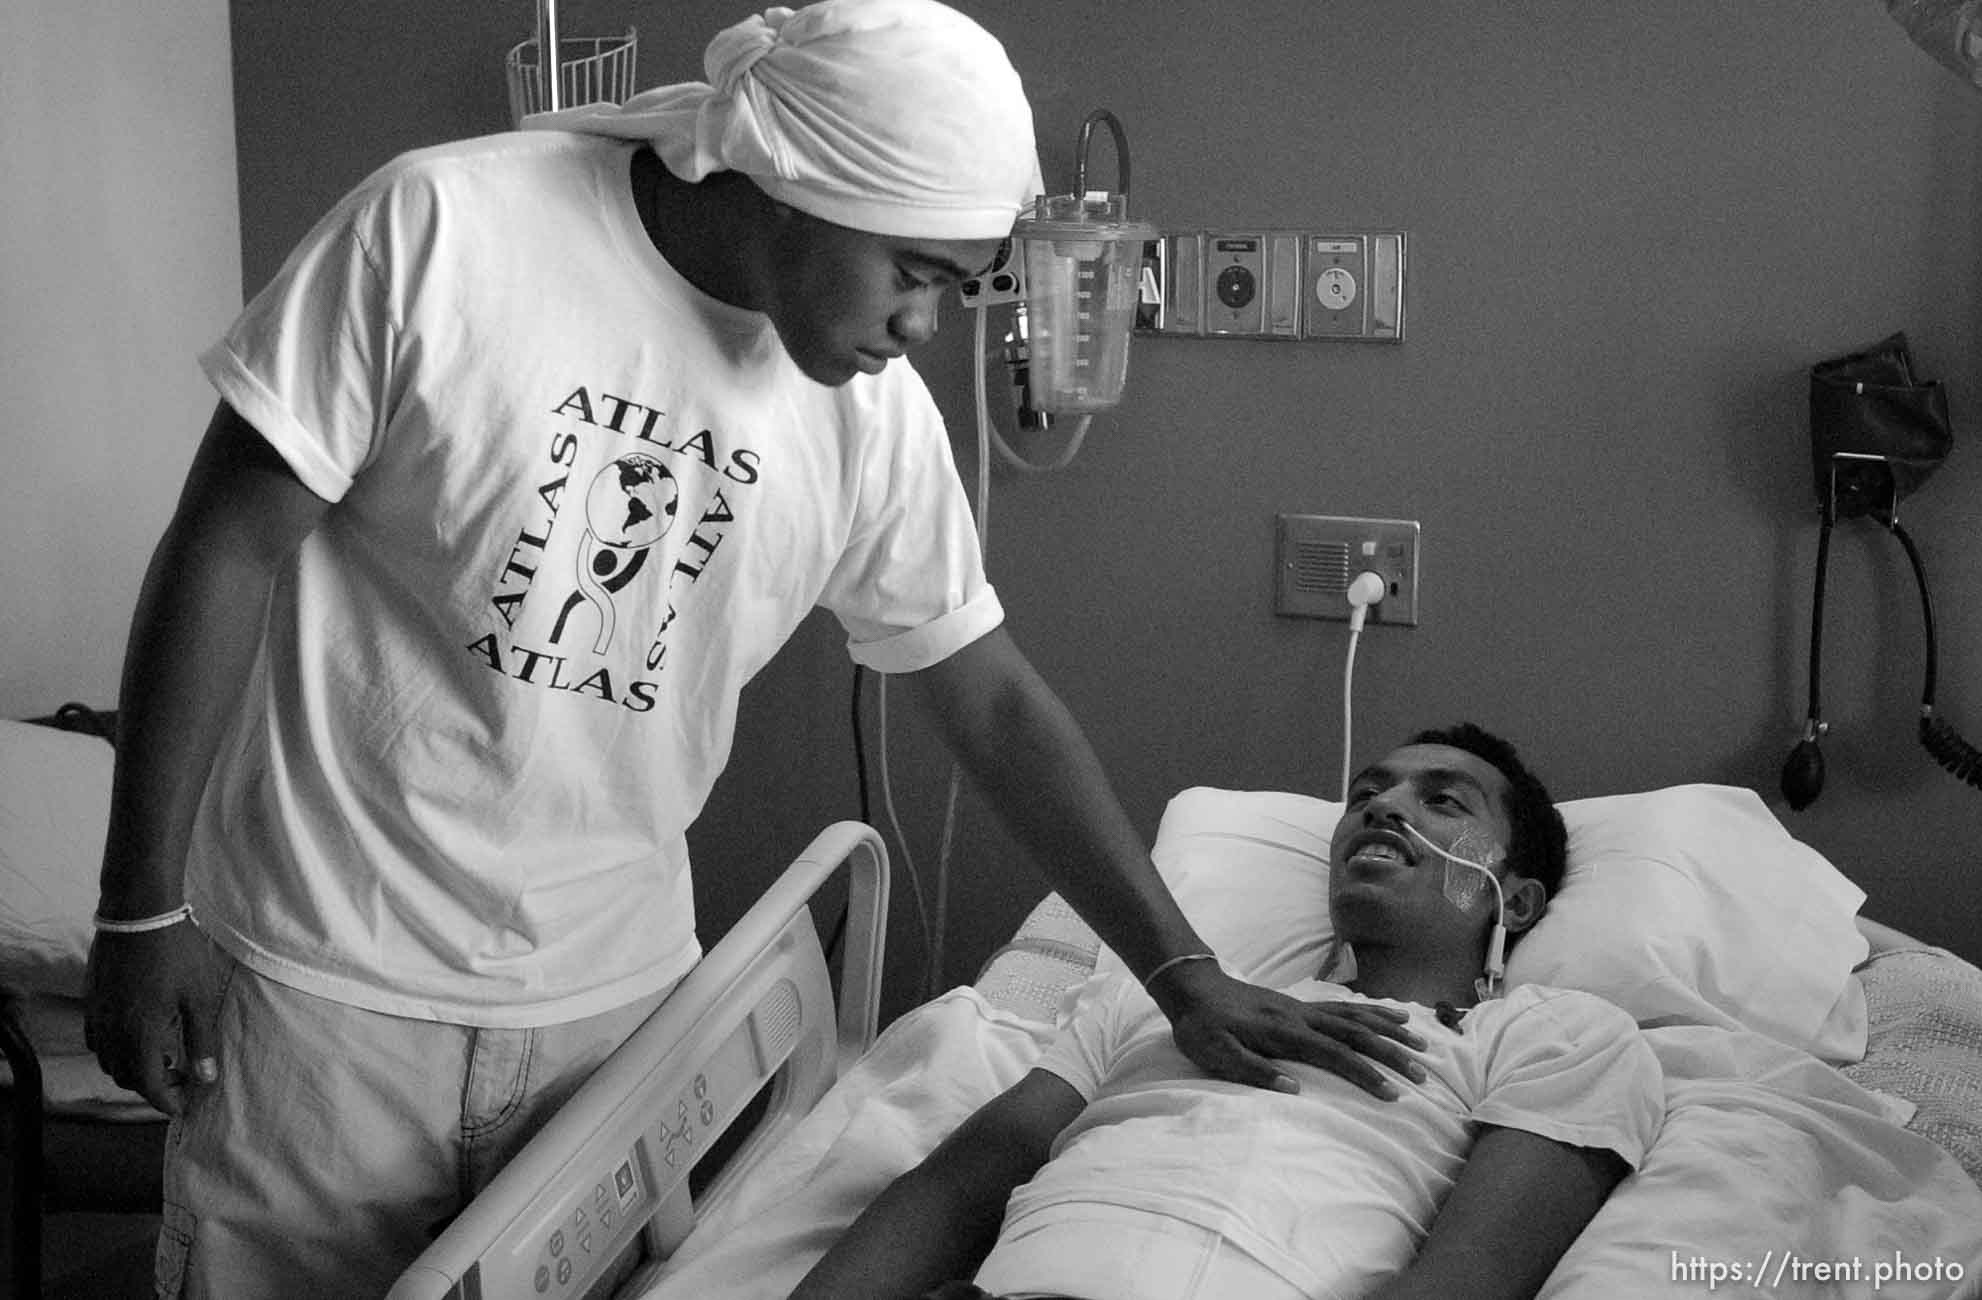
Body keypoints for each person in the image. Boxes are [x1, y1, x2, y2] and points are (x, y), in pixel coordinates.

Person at [80, 2, 1422, 1294]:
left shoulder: (872, 412)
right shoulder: (441, 229)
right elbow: (223, 548)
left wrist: (1182, 975)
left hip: (617, 1006)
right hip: (329, 986)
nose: (920, 330)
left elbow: (991, 702)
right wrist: (141, 911)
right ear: (790, 187)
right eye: (910, 275)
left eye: (952, 292)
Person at [790, 724, 1666, 1300]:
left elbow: (1469, 1278)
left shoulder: (1560, 1038)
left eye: (1443, 801)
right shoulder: (1158, 991)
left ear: (1513, 902)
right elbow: (959, 1183)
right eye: (1371, 792)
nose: (1381, 806)